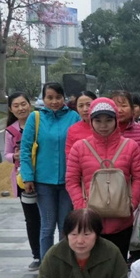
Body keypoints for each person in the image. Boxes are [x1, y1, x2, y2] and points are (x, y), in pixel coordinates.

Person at [66, 98, 140, 260]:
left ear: (116, 120)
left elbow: (139, 177)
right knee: (91, 264)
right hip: (90, 222)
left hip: (122, 221)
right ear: (91, 121)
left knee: (118, 262)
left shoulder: (130, 146)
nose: (103, 125)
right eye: (98, 120)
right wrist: (82, 206)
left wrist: (132, 203)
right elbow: (72, 181)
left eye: (108, 120)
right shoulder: (79, 147)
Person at [20, 82, 81, 260]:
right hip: (43, 182)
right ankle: (46, 264)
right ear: (44, 98)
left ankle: (64, 263)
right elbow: (25, 149)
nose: (54, 101)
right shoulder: (35, 118)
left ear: (64, 98)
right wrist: (28, 177)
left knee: (65, 226)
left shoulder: (74, 117)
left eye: (58, 97)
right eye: (50, 97)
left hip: (68, 182)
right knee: (47, 226)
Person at [4, 92, 41, 270]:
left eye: (23, 104)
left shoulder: (40, 124)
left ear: (30, 104)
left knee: (49, 218)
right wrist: (15, 156)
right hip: (23, 180)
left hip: (44, 176)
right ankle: (37, 255)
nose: (21, 108)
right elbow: (6, 154)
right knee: (32, 219)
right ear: (11, 109)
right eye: (16, 105)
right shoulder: (11, 131)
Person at [65, 90, 98, 158]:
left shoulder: (106, 127)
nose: (85, 109)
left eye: (89, 105)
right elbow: (69, 156)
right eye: (81, 106)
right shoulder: (73, 130)